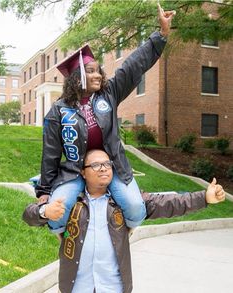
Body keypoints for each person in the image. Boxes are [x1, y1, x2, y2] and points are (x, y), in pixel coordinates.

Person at [34, 4, 176, 234]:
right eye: (90, 71)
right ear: (75, 77)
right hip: (74, 171)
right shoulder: (58, 112)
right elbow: (50, 153)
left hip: (112, 168)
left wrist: (161, 34)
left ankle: (118, 229)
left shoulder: (108, 95)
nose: (97, 75)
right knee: (56, 216)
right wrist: (44, 191)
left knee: (135, 209)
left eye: (98, 70)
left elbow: (132, 66)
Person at [23, 149, 225, 293]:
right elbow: (28, 214)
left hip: (114, 287)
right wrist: (45, 211)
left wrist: (204, 198)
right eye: (95, 165)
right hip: (75, 287)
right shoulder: (70, 202)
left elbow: (169, 203)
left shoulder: (123, 204)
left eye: (107, 164)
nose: (103, 168)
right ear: (83, 172)